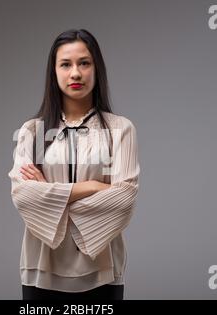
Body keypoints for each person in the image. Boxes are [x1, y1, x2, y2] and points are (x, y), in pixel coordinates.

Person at [8, 29, 141, 300]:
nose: (76, 73)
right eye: (66, 64)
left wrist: (50, 193)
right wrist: (93, 186)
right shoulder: (32, 132)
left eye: (84, 63)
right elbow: (23, 197)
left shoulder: (121, 129)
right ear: (53, 72)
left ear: (97, 69)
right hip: (41, 267)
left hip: (103, 269)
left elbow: (124, 199)